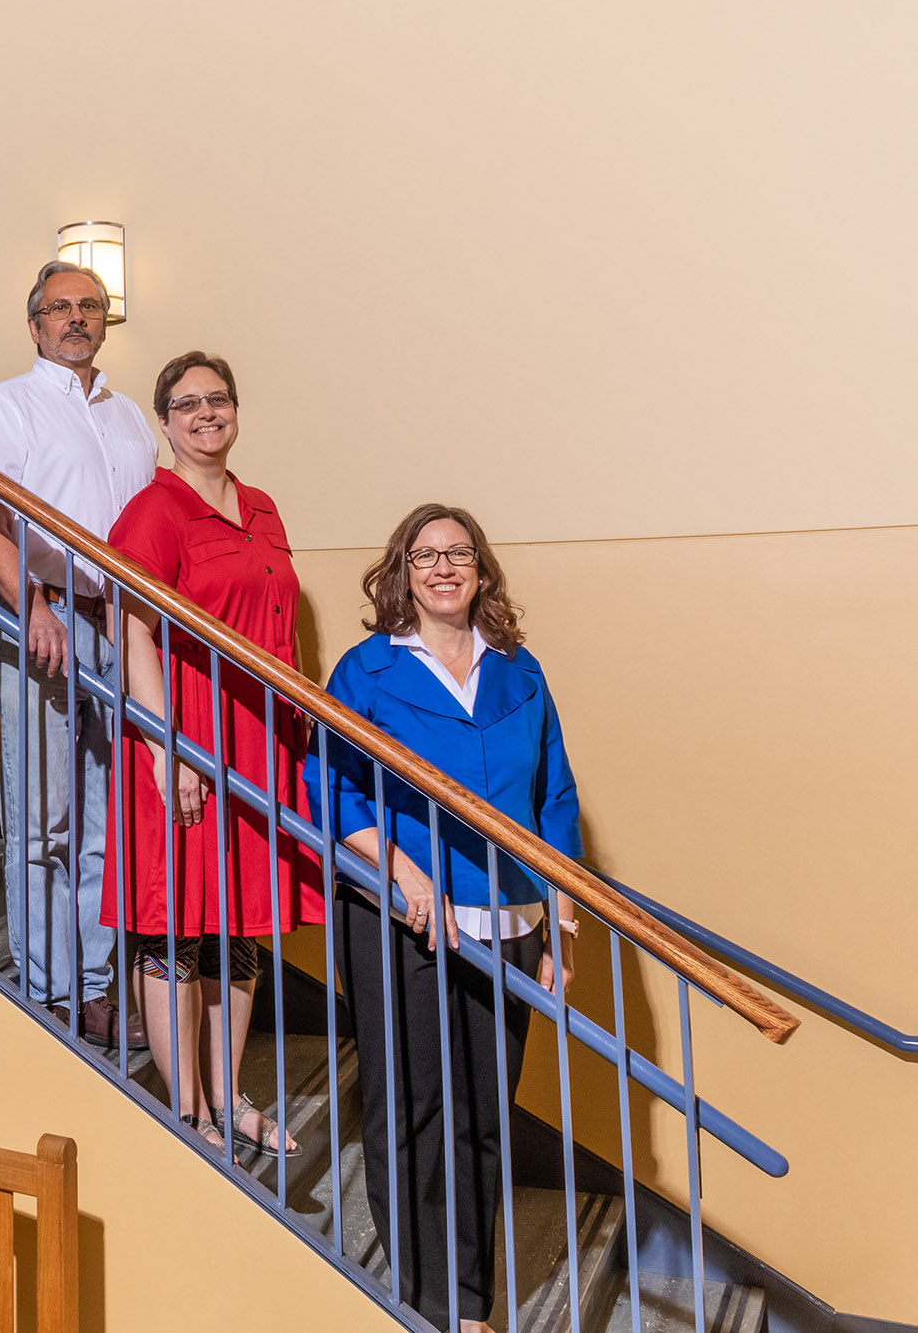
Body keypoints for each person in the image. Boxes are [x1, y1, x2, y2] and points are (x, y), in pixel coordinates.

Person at [322, 504, 581, 1333]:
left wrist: (560, 925)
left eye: (458, 553)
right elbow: (333, 783)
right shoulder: (367, 669)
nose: (443, 567)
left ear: (481, 569)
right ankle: (426, 1300)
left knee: (484, 1119)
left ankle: (471, 1302)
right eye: (425, 554)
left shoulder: (519, 669)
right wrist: (400, 869)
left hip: (510, 925)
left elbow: (556, 800)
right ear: (401, 569)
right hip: (407, 922)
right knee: (415, 1111)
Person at [106, 351, 324, 1148]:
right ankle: (189, 1108)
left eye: (219, 399)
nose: (206, 413)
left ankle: (228, 1096)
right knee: (178, 925)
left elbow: (280, 622)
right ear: (164, 423)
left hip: (260, 740)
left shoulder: (261, 506)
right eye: (188, 403)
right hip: (186, 737)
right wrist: (168, 748)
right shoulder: (153, 512)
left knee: (238, 923)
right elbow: (128, 627)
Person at [0, 262, 159, 1051]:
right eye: (59, 307)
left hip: (120, 626)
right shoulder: (9, 406)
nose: (75, 318)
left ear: (104, 319)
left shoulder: (132, 416)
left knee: (106, 823)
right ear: (35, 322)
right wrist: (32, 607)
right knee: (44, 817)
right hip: (37, 621)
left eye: (89, 306)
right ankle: (44, 989)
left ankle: (94, 987)